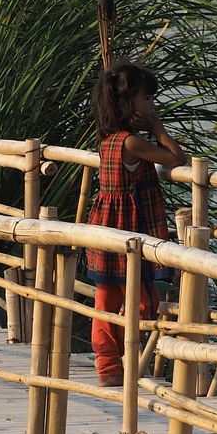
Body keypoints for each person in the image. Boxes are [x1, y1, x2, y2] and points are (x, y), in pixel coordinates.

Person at [86, 61, 189, 387]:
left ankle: (109, 367)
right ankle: (119, 363)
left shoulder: (108, 141)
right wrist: (158, 129)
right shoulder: (131, 143)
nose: (152, 106)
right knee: (141, 299)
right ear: (127, 104)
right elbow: (177, 158)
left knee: (106, 299)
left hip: (106, 230)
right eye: (147, 100)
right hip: (128, 234)